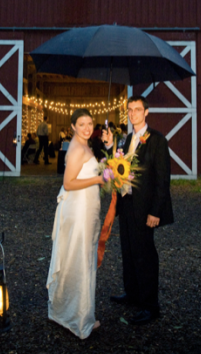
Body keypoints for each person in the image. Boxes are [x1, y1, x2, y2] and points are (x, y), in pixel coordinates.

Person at [110, 96, 174, 324]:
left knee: (145, 255)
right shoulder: (128, 139)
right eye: (130, 110)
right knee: (128, 251)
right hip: (127, 205)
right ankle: (132, 293)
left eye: (137, 109)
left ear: (146, 112)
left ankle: (150, 305)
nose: (133, 113)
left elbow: (162, 179)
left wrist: (155, 211)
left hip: (146, 208)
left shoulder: (156, 140)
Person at [47, 108, 106, 339]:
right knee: (79, 259)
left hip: (86, 208)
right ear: (73, 126)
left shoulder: (85, 145)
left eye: (90, 123)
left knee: (79, 257)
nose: (87, 127)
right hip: (79, 210)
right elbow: (69, 183)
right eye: (81, 124)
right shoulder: (75, 148)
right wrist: (98, 178)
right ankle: (79, 319)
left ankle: (66, 310)